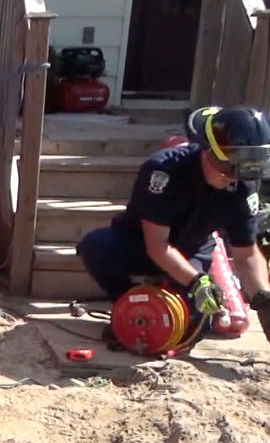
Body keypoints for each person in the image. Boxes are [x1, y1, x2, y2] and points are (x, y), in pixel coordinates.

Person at [75, 105, 270, 343]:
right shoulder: (163, 170)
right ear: (208, 151)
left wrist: (262, 299)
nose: (233, 178)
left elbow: (247, 254)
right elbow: (158, 245)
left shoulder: (242, 187)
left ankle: (174, 302)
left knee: (191, 325)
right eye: (229, 168)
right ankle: (126, 306)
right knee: (96, 246)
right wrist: (197, 282)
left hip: (192, 252)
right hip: (140, 244)